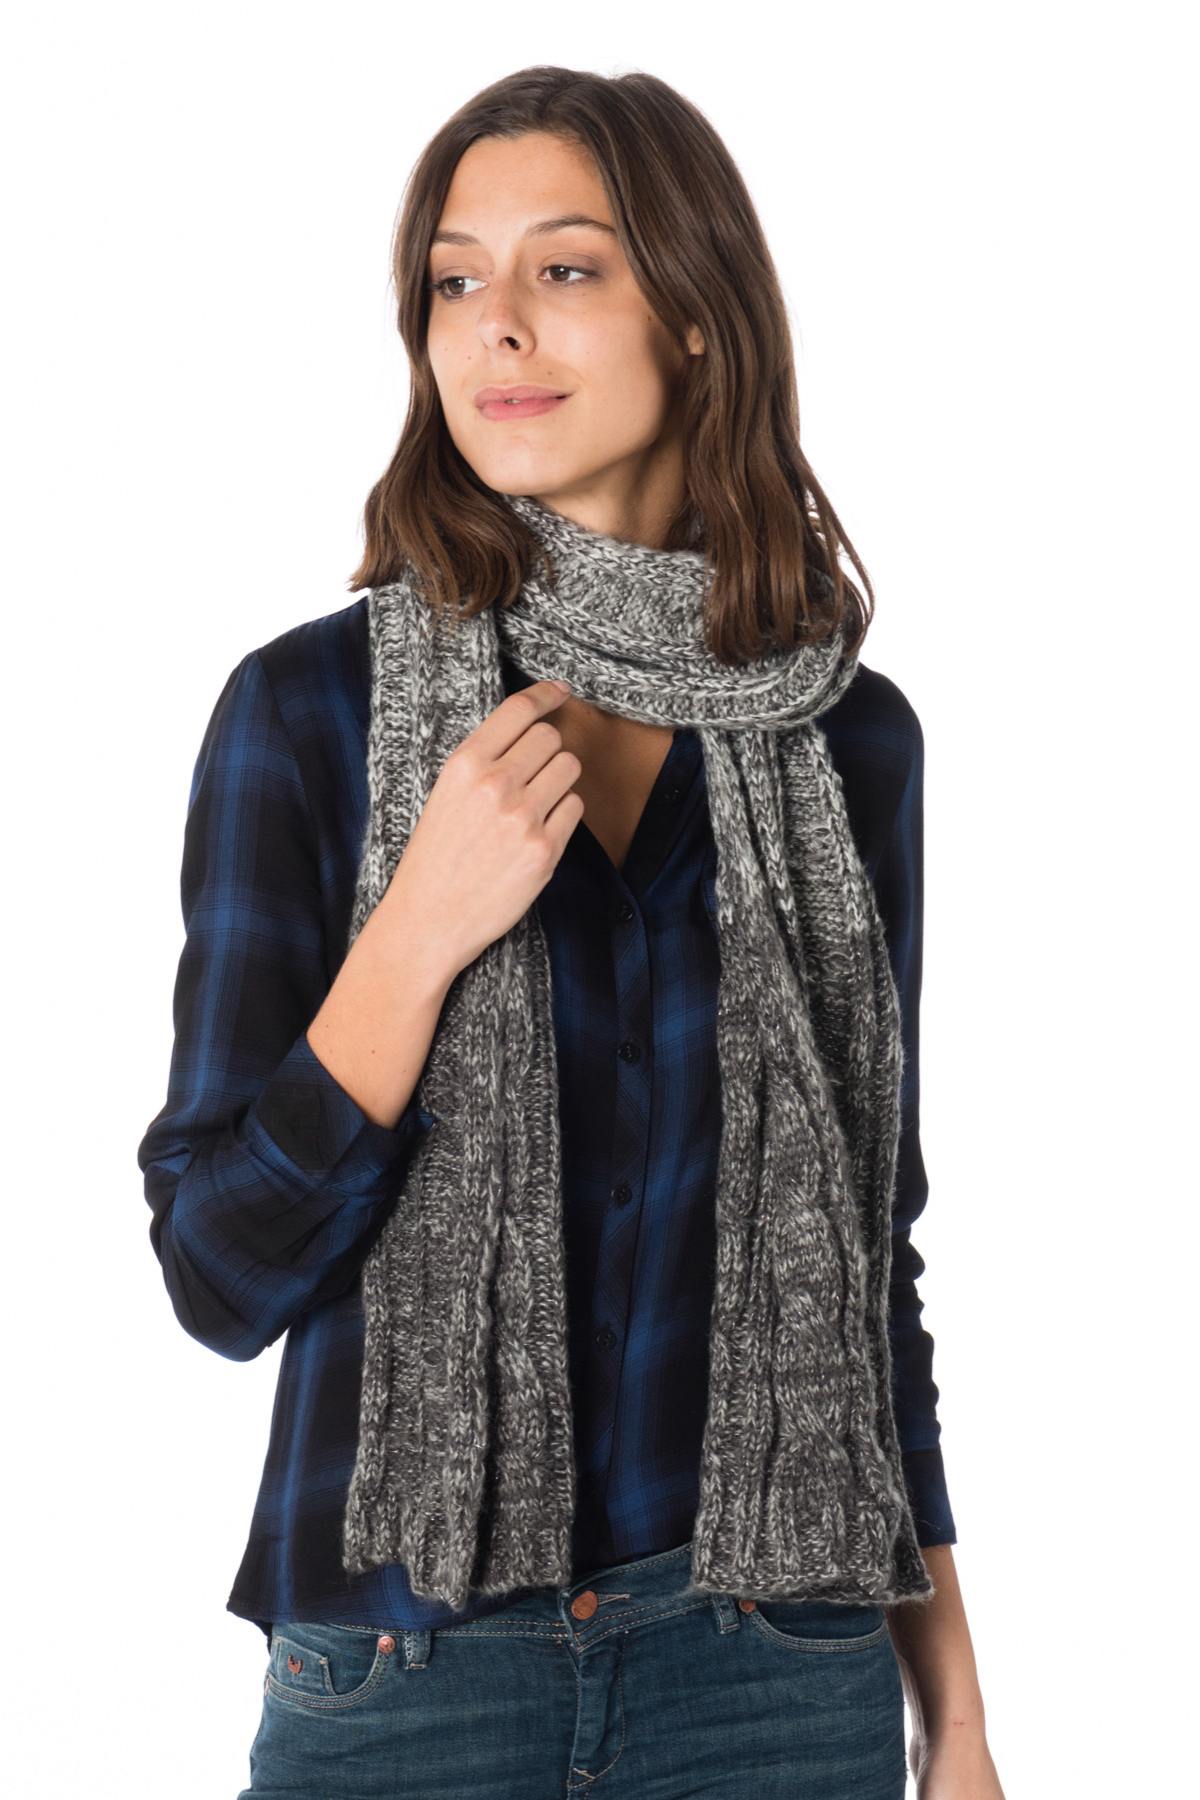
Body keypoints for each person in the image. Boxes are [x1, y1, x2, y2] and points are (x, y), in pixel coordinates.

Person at [138, 65, 1004, 1800]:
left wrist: (960, 1722)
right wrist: (418, 931)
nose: (497, 328)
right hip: (406, 1673)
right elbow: (217, 1274)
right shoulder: (311, 716)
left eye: (566, 268)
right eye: (455, 280)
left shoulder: (848, 742)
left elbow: (864, 1257)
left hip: (776, 1668)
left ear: (694, 312)